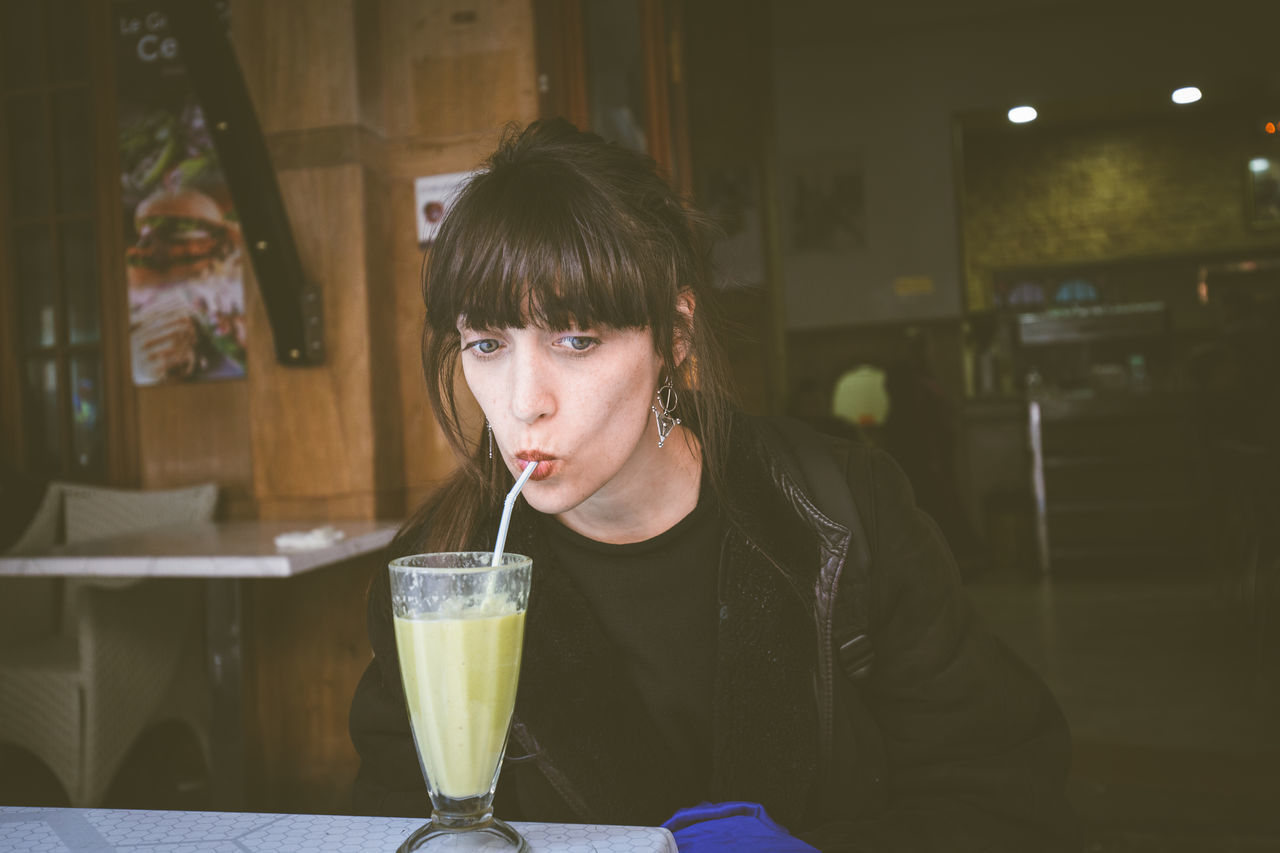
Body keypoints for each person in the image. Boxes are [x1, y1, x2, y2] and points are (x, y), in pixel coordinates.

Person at [349, 119, 1080, 852]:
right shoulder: (438, 581)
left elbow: (1009, 794)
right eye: (487, 343)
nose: (521, 401)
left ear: (675, 334)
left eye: (576, 338)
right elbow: (391, 824)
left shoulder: (845, 512)